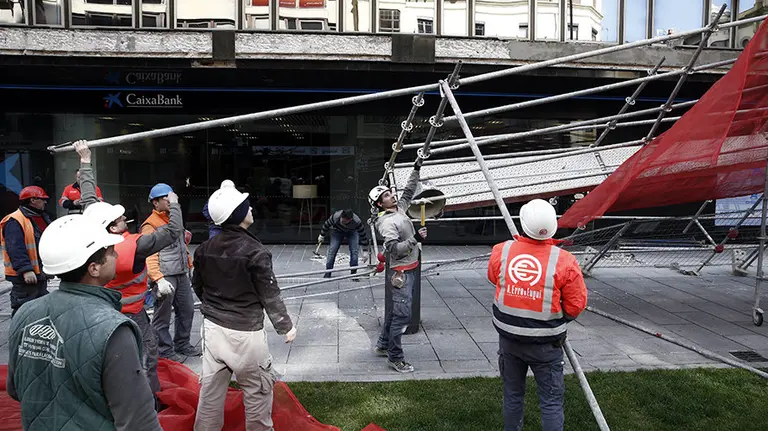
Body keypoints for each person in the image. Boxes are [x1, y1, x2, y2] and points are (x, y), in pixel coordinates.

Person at [6, 214, 162, 430]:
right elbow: (139, 420)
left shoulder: (25, 313)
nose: (116, 254)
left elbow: (15, 389)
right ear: (94, 268)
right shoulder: (113, 329)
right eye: (110, 252)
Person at [75, 140, 184, 402]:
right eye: (122, 218)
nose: (127, 219)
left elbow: (90, 199)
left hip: (98, 312)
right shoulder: (133, 246)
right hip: (132, 314)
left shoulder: (90, 236)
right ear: (113, 227)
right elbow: (173, 232)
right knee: (147, 354)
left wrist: (85, 160)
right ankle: (149, 401)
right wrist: (176, 203)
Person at [193, 184, 297, 431]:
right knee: (257, 393)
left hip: (212, 330)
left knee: (210, 395)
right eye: (245, 206)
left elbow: (198, 286)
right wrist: (286, 327)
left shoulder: (204, 248)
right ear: (237, 214)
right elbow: (269, 294)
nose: (250, 208)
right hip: (246, 335)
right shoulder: (255, 251)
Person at [487, 199, 588, 431]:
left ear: (523, 223)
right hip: (546, 345)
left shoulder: (502, 250)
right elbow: (575, 305)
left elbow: (495, 278)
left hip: (509, 341)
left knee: (512, 394)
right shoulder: (564, 260)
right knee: (551, 401)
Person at [369, 159, 427, 373]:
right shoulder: (386, 222)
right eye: (386, 196)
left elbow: (409, 191)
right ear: (379, 204)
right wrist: (416, 239)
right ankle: (395, 357)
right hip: (401, 273)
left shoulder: (398, 209)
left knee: (395, 312)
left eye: (390, 193)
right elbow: (393, 249)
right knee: (402, 316)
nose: (392, 195)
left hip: (408, 268)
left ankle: (383, 344)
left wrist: (416, 168)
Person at [141, 183, 201, 362]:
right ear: (155, 202)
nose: (169, 201)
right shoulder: (150, 225)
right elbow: (149, 254)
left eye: (170, 197)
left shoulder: (174, 219)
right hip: (165, 276)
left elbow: (182, 246)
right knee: (162, 315)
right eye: (164, 198)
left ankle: (182, 344)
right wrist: (158, 279)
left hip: (180, 273)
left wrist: (188, 265)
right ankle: (164, 349)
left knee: (187, 309)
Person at [0, 185, 52, 316]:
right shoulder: (15, 220)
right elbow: (15, 248)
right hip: (26, 276)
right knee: (24, 309)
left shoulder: (41, 217)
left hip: (39, 273)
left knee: (40, 307)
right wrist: (26, 270)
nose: (45, 202)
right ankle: (19, 334)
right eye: (42, 199)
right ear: (32, 200)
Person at [318, 208, 370, 279]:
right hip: (337, 231)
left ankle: (353, 274)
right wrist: (322, 235)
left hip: (352, 232)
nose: (342, 221)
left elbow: (363, 235)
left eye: (344, 221)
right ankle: (328, 272)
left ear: (350, 220)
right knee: (332, 250)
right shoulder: (336, 217)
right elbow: (326, 225)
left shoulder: (357, 221)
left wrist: (365, 251)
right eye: (342, 220)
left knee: (354, 251)